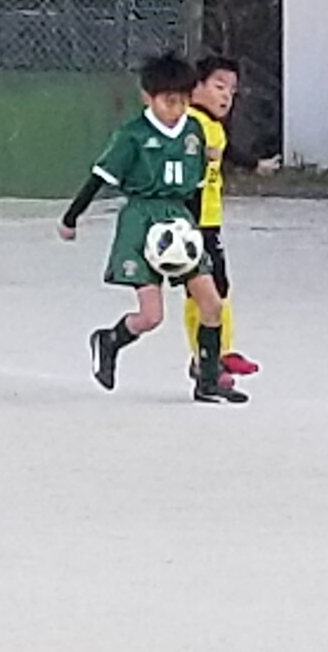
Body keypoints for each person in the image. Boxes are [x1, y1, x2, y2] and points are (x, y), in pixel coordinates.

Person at [58, 52, 248, 405]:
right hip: (141, 221)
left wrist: (195, 231)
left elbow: (196, 187)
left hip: (179, 220)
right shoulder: (132, 135)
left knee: (211, 303)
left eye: (183, 102)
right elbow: (99, 178)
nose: (176, 110)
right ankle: (110, 340)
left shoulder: (193, 132)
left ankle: (208, 381)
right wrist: (71, 218)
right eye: (168, 102)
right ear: (148, 97)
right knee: (151, 316)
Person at [183, 54, 280, 385]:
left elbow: (228, 152)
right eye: (219, 86)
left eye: (232, 90)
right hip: (191, 222)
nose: (226, 95)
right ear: (196, 87)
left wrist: (256, 165)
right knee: (202, 291)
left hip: (210, 221)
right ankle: (205, 358)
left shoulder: (212, 125)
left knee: (219, 286)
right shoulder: (189, 124)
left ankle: (220, 351)